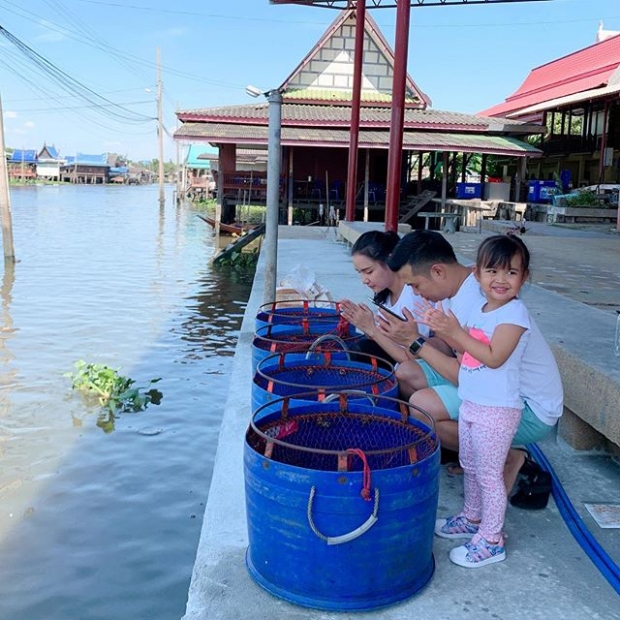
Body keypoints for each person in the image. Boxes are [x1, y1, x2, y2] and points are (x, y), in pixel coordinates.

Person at [380, 230, 563, 496]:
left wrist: (415, 343)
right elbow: (447, 349)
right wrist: (410, 337)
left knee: (422, 407)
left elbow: (467, 375)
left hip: (526, 406)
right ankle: (480, 454)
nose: (415, 293)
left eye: (416, 285)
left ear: (438, 272)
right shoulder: (460, 288)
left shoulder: (477, 300)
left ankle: (504, 456)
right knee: (407, 373)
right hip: (492, 384)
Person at [419, 235, 532, 567]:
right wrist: (441, 328)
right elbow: (465, 352)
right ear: (477, 274)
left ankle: (492, 538)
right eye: (492, 271)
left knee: (489, 473)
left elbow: (494, 357)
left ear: (524, 278)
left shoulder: (515, 313)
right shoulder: (481, 311)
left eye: (511, 273)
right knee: (469, 464)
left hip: (498, 410)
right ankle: (471, 518)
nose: (501, 280)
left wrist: (456, 333)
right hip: (472, 403)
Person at [339, 230, 430, 367]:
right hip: (399, 360)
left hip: (416, 366)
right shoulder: (386, 297)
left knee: (360, 350)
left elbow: (413, 358)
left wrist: (372, 329)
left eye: (369, 271)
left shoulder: (413, 295)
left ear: (389, 260)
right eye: (360, 273)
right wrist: (363, 323)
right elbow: (385, 338)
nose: (364, 280)